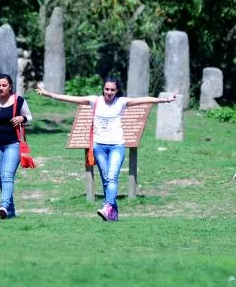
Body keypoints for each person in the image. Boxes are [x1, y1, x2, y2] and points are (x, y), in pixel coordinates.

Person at [37, 77, 177, 221]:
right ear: (103, 89)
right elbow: (72, 98)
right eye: (107, 89)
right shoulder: (94, 101)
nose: (109, 92)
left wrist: (166, 100)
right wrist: (49, 95)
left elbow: (145, 99)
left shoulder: (121, 102)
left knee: (112, 177)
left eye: (112, 90)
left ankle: (108, 205)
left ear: (117, 91)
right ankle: (113, 213)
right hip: (99, 147)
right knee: (105, 180)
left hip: (117, 146)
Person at [0, 73, 33, 219]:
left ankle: (3, 205)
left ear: (10, 86)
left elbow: (29, 117)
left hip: (14, 143)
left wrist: (22, 118)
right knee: (1, 178)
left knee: (7, 175)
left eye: (4, 85)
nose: (1, 88)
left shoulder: (19, 100)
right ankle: (10, 211)